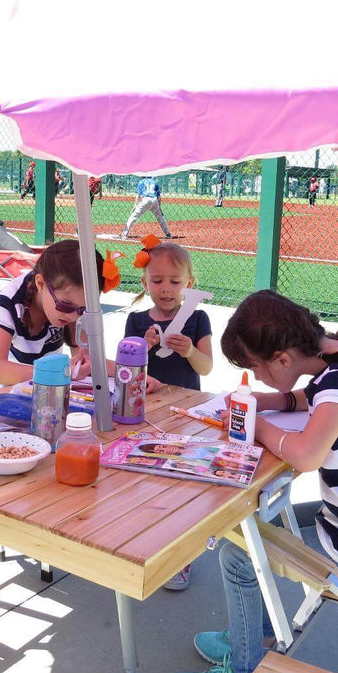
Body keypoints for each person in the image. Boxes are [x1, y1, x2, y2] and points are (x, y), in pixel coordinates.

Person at [170, 290, 338, 673]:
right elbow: (318, 395)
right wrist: (271, 400)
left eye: (257, 368)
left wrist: (256, 424)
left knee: (237, 553)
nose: (259, 376)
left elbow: (305, 455)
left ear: (284, 359)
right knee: (253, 525)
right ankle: (253, 634)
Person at [125, 237, 213, 591]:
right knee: (146, 478)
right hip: (148, 409)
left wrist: (190, 350)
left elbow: (206, 368)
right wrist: (141, 347)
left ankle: (181, 556)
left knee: (183, 482)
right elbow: (127, 369)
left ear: (188, 284)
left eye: (175, 282)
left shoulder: (197, 318)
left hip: (187, 412)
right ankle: (145, 540)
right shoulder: (135, 320)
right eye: (157, 281)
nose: (166, 289)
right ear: (144, 283)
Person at [0, 240, 132, 392]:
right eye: (65, 305)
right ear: (40, 283)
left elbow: (87, 362)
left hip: (40, 384)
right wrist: (60, 371)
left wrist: (131, 373)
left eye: (82, 310)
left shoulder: (72, 307)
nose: (73, 316)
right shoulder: (10, 304)